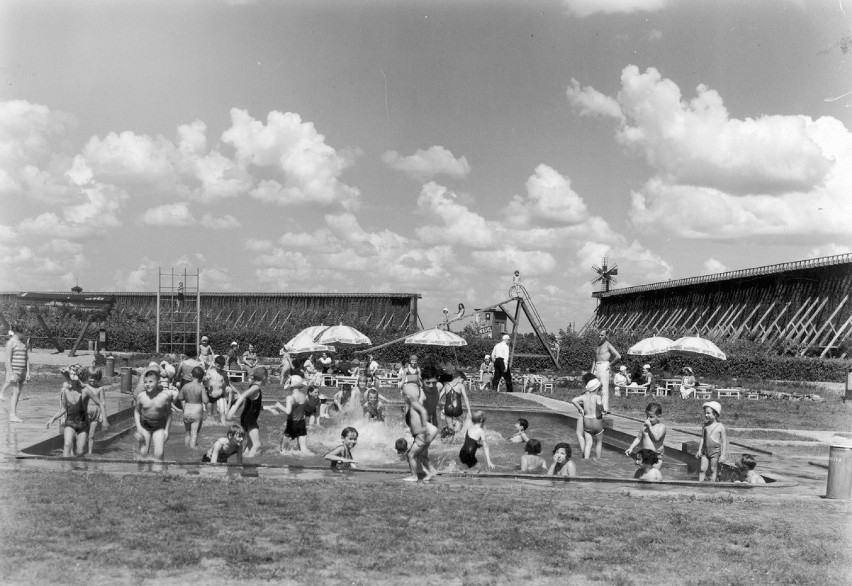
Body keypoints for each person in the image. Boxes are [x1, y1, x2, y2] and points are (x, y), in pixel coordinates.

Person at [46, 367, 104, 457]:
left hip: (83, 424)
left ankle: (80, 468)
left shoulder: (85, 391)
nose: (70, 378)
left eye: (73, 375)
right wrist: (53, 418)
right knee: (67, 445)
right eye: (71, 375)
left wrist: (104, 417)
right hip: (70, 422)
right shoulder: (65, 391)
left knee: (80, 451)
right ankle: (66, 469)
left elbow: (100, 403)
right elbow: (63, 409)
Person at [401, 374, 438, 482]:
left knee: (411, 455)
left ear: (409, 396)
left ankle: (414, 476)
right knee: (421, 455)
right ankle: (431, 471)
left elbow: (423, 411)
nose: (403, 397)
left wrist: (424, 427)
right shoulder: (412, 404)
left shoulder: (414, 403)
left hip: (423, 434)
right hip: (424, 433)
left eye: (404, 395)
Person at [134, 366, 174, 461]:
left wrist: (167, 430)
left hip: (159, 426)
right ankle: (143, 472)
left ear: (158, 382)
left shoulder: (164, 397)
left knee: (159, 453)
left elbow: (169, 414)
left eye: (151, 382)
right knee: (143, 453)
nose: (147, 384)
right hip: (145, 425)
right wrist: (138, 427)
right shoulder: (141, 396)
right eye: (145, 382)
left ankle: (159, 471)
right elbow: (136, 411)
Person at [227, 366, 267, 458]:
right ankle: (249, 465)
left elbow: (254, 406)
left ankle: (243, 459)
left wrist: (269, 408)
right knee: (257, 445)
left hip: (245, 418)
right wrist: (232, 410)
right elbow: (242, 396)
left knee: (250, 444)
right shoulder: (256, 388)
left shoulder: (252, 386)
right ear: (264, 378)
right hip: (250, 420)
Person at [273, 374, 310, 453]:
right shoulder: (305, 396)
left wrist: (279, 406)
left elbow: (288, 411)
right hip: (302, 423)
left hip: (292, 423)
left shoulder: (290, 398)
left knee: (283, 450)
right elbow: (304, 410)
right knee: (304, 449)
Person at [1, 324, 30, 422]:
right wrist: (11, 373)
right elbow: (8, 360)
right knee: (16, 392)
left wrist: (28, 372)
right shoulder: (11, 343)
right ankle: (12, 415)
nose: (25, 333)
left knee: (17, 393)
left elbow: (27, 359)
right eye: (24, 331)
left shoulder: (23, 343)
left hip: (22, 371)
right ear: (18, 331)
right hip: (14, 371)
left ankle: (13, 413)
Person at [625, 402, 666, 469]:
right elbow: (638, 438)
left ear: (659, 416)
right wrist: (631, 447)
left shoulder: (661, 427)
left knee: (653, 473)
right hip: (645, 455)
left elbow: (657, 438)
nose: (648, 419)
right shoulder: (644, 426)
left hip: (656, 455)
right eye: (647, 416)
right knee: (640, 474)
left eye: (651, 417)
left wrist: (649, 426)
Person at [572, 378, 604, 459]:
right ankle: (598, 460)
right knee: (599, 443)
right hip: (596, 421)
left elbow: (574, 400)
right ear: (597, 388)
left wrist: (580, 409)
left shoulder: (584, 397)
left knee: (588, 444)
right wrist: (603, 410)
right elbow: (599, 404)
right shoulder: (597, 397)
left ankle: (585, 460)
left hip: (587, 422)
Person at [177, 366, 208, 448]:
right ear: (201, 378)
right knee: (194, 434)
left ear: (192, 375)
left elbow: (180, 397)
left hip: (187, 409)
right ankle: (192, 451)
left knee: (187, 433)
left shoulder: (186, 386)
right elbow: (205, 401)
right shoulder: (201, 387)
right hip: (196, 410)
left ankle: (186, 448)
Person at [697, 401, 727, 482]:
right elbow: (702, 438)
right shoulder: (705, 426)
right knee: (702, 469)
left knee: (713, 469)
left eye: (708, 413)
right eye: (705, 413)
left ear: (716, 414)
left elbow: (724, 442)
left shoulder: (721, 427)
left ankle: (712, 486)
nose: (706, 415)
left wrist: (723, 455)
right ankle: (699, 485)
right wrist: (699, 450)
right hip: (705, 451)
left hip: (715, 452)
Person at [592, 329, 620, 413]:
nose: (600, 337)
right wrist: (592, 370)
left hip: (604, 365)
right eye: (599, 335)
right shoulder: (598, 346)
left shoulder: (608, 345)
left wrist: (610, 364)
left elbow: (618, 356)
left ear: (606, 336)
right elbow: (594, 359)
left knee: (604, 388)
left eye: (602, 335)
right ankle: (595, 406)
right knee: (594, 387)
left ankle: (605, 408)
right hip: (597, 366)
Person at [84, 367, 109, 455]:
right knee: (83, 433)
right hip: (86, 412)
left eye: (95, 377)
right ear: (87, 377)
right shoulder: (85, 386)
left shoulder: (100, 389)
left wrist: (102, 415)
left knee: (91, 435)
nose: (93, 380)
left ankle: (90, 452)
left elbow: (103, 402)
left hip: (96, 413)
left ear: (98, 378)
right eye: (91, 377)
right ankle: (82, 449)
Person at [439, 371, 471, 436]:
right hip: (457, 408)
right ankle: (458, 438)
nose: (462, 382)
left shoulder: (446, 385)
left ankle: (448, 440)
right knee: (461, 423)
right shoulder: (460, 385)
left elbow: (438, 397)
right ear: (459, 377)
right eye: (462, 380)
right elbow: (466, 398)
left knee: (450, 427)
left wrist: (441, 408)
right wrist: (469, 411)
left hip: (447, 408)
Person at [204, 355, 233, 425]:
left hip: (220, 395)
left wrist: (228, 387)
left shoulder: (224, 373)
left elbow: (227, 382)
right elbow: (205, 384)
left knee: (222, 412)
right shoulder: (209, 371)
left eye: (222, 367)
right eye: (218, 366)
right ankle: (210, 426)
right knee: (209, 414)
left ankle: (223, 425)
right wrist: (206, 380)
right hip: (210, 395)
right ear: (214, 363)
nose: (220, 368)